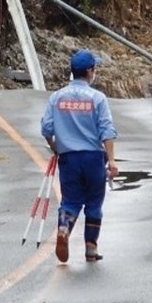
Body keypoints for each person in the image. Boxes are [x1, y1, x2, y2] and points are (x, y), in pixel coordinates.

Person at [40, 49, 119, 263]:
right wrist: (111, 160)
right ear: (90, 71)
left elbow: (47, 128)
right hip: (93, 157)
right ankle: (91, 249)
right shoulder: (97, 98)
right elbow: (106, 130)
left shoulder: (57, 97)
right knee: (94, 202)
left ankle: (64, 229)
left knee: (71, 201)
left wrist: (55, 145)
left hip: (69, 158)